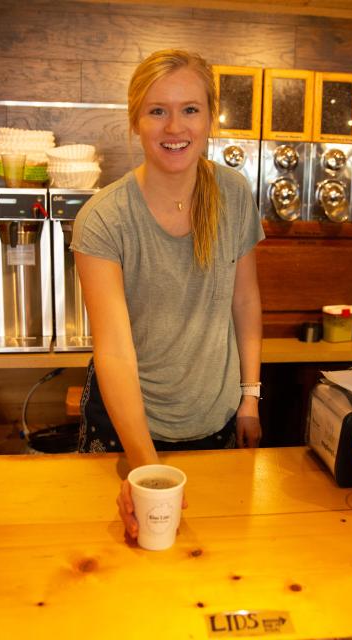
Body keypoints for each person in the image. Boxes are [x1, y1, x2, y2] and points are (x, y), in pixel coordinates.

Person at [71, 49, 264, 540]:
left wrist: (250, 399)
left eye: (190, 109)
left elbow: (244, 301)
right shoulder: (104, 219)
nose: (174, 126)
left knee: (214, 559)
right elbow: (112, 349)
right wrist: (147, 472)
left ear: (210, 117)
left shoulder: (235, 194)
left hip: (216, 420)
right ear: (136, 120)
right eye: (157, 110)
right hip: (126, 431)